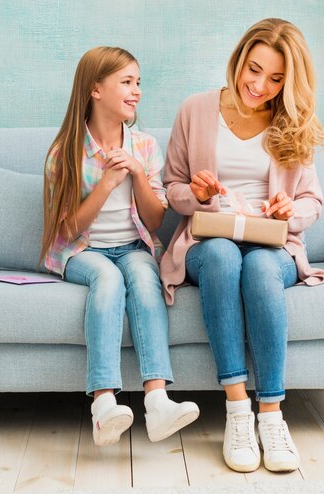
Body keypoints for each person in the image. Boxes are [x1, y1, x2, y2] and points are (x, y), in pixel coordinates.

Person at [160, 19, 324, 472]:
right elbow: (170, 186)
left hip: (271, 242)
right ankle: (237, 410)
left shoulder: (291, 121)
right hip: (206, 238)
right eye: (253, 70)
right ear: (239, 59)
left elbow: (313, 200)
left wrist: (290, 210)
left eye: (276, 79)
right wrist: (193, 195)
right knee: (220, 254)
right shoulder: (196, 110)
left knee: (257, 268)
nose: (259, 86)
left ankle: (271, 416)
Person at [40, 46, 199, 447]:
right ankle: (103, 403)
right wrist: (108, 182)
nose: (136, 91)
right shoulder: (65, 152)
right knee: (108, 280)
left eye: (138, 82)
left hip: (133, 245)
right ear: (95, 89)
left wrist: (138, 175)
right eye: (126, 82)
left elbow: (156, 221)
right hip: (80, 251)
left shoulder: (144, 146)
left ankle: (158, 401)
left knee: (145, 278)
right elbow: (68, 227)